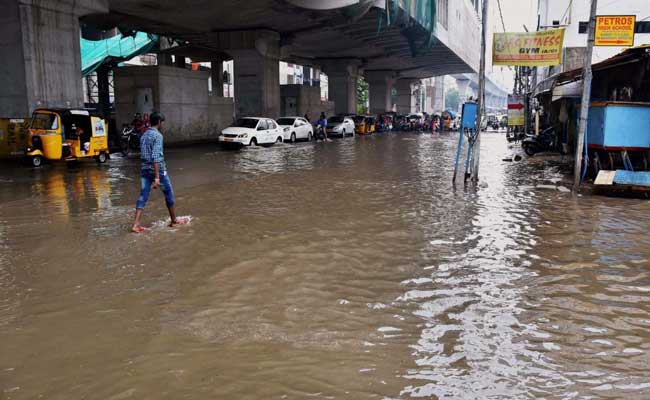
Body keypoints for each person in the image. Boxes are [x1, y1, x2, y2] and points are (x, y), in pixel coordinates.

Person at [131, 112, 183, 233]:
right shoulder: (158, 136)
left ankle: (136, 224)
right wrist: (157, 177)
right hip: (157, 171)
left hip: (144, 170)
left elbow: (144, 154)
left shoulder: (143, 135)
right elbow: (156, 157)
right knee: (169, 193)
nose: (162, 124)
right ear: (159, 122)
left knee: (143, 196)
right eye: (162, 122)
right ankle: (174, 221)